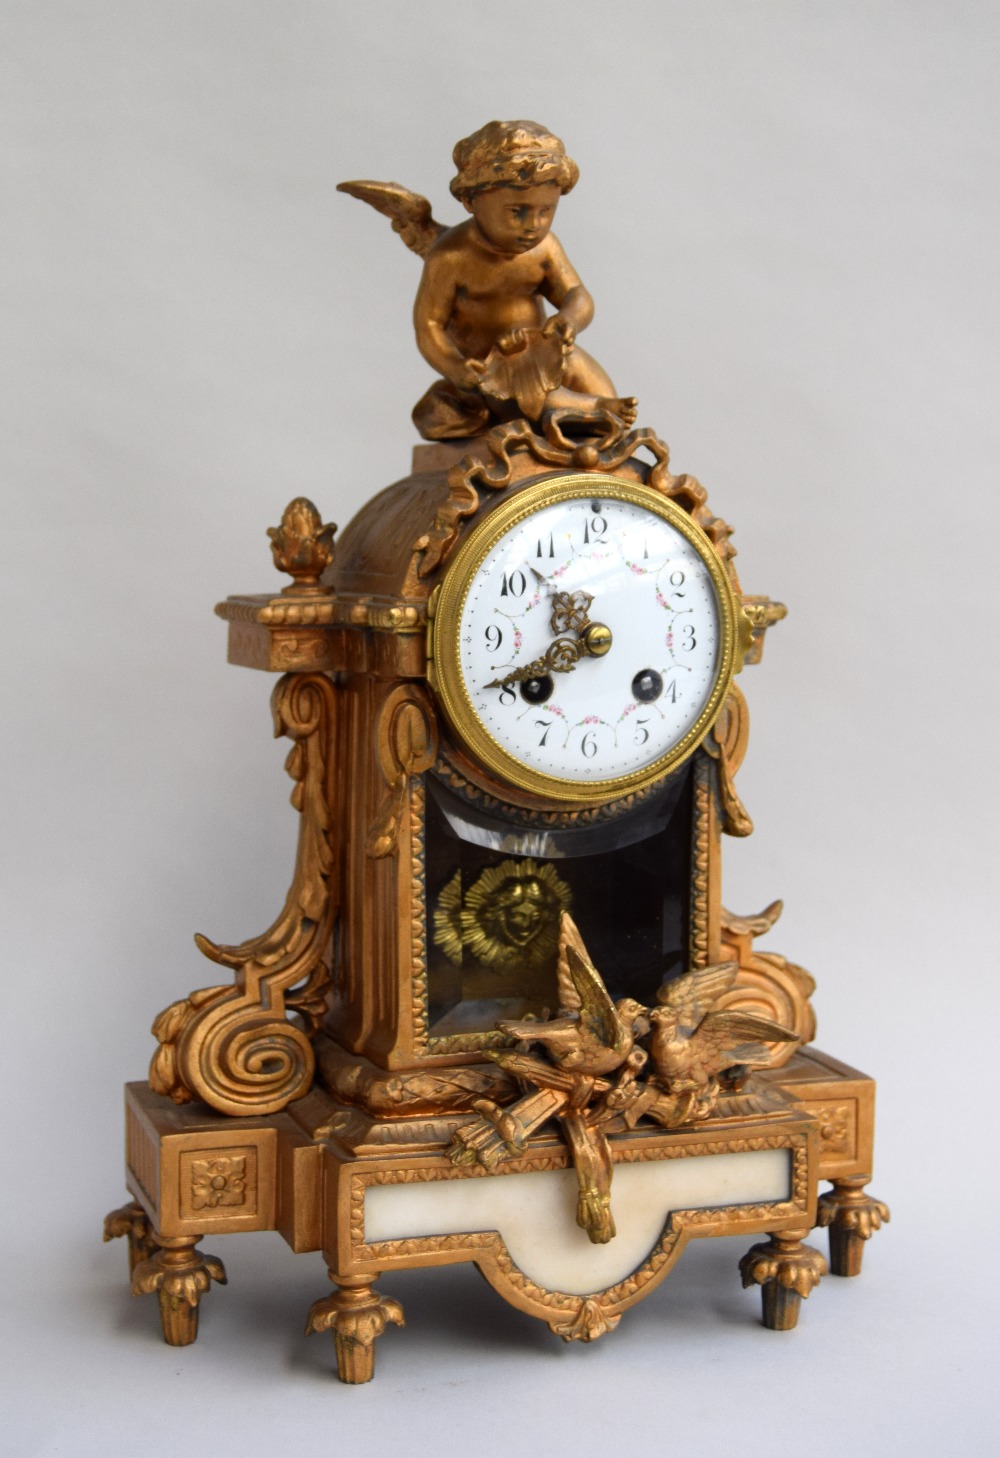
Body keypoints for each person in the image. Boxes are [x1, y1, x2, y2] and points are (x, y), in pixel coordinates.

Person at [410, 120, 637, 438]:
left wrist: (569, 320)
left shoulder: (544, 248)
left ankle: (600, 410)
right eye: (517, 211)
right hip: (491, 369)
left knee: (587, 375)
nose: (533, 225)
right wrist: (456, 369)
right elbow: (429, 326)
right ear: (471, 201)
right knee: (528, 395)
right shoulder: (451, 257)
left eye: (546, 211)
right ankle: (592, 409)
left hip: (544, 347)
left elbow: (577, 294)